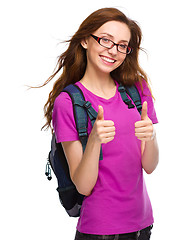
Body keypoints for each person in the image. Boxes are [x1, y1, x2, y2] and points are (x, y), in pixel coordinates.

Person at [42, 7, 159, 240]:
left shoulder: (137, 90)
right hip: (98, 231)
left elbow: (149, 166)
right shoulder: (68, 102)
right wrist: (94, 141)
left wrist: (151, 137)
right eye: (106, 40)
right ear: (86, 40)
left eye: (122, 45)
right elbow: (83, 186)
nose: (113, 51)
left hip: (143, 225)